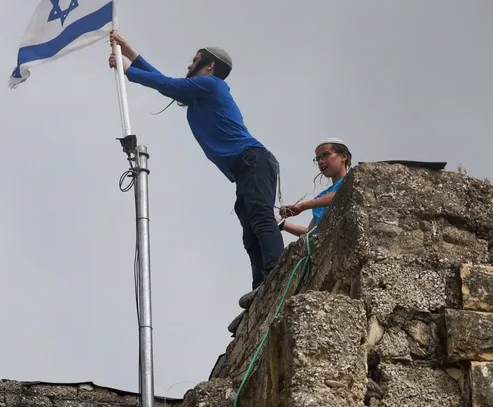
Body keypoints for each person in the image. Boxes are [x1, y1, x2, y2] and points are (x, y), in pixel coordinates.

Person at [107, 31, 284, 320]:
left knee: (260, 216)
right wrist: (130, 53)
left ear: (209, 64)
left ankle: (276, 270)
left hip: (253, 160)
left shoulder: (211, 84)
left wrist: (127, 69)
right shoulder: (201, 91)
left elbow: (167, 85)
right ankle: (262, 287)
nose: (190, 63)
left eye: (195, 59)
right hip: (244, 167)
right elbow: (169, 83)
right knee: (250, 232)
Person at [278, 138, 352, 236]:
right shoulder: (321, 197)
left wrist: (302, 206)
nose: (321, 161)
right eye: (318, 158)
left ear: (343, 156)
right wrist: (282, 224)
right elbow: (311, 233)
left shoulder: (354, 181)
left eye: (325, 155)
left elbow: (342, 194)